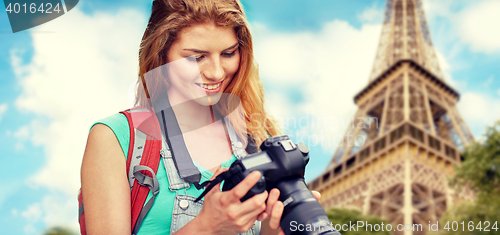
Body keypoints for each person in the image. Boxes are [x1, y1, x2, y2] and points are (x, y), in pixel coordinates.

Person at [81, 0, 320, 234]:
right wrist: (208, 226)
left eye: (228, 53)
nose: (216, 72)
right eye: (196, 57)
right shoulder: (115, 137)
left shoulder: (258, 136)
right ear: (161, 52)